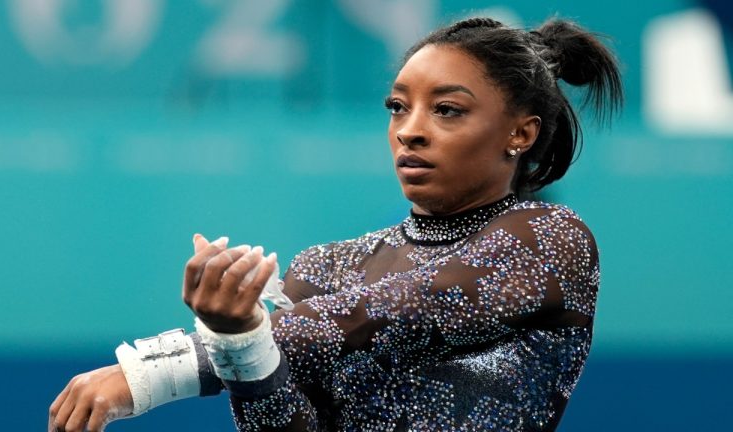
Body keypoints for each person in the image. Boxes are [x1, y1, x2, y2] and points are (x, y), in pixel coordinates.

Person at [48, 16, 622, 432]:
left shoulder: (547, 239)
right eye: (398, 106)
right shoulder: (328, 266)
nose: (410, 131)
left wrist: (150, 372)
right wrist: (240, 341)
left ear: (521, 133)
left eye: (447, 110)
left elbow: (380, 315)